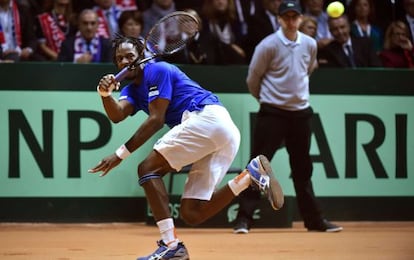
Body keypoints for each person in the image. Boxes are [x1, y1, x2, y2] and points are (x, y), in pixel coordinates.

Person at [88, 35, 284, 259]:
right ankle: (250, 176)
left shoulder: (157, 70)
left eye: (130, 56)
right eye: (119, 58)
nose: (124, 61)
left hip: (206, 118)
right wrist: (105, 95)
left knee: (147, 169)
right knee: (192, 213)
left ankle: (170, 246)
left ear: (142, 57)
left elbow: (156, 120)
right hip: (220, 132)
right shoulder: (132, 89)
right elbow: (118, 114)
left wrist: (119, 155)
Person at [233, 0, 343, 234]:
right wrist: (269, 100)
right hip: (272, 112)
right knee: (257, 167)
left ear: (301, 19)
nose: (291, 21)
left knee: (303, 169)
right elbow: (253, 79)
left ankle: (314, 221)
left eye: (295, 17)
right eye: (287, 17)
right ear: (280, 19)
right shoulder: (268, 45)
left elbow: (308, 69)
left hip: (301, 114)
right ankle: (243, 219)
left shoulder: (310, 44)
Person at [317, 14, 382, 68]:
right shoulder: (328, 51)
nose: (340, 32)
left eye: (342, 27)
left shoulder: (365, 44)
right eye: (335, 29)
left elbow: (376, 67)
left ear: (349, 27)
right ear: (330, 31)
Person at [200, 0, 247, 64]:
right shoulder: (204, 21)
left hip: (233, 63)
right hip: (212, 63)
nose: (220, 1)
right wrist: (231, 47)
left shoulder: (236, 20)